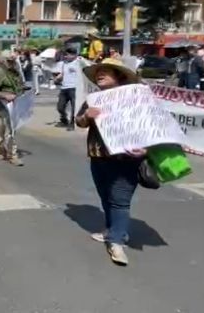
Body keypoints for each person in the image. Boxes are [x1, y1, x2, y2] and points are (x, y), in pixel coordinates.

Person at [75, 58, 145, 266]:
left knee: (119, 201)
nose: (100, 74)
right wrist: (87, 115)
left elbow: (151, 124)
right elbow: (79, 121)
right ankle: (113, 231)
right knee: (106, 197)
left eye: (106, 71)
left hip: (126, 159)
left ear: (120, 76)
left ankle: (116, 242)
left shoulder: (136, 98)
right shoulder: (94, 99)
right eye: (98, 72)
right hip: (98, 157)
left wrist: (145, 147)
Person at [0, 54, 25, 166]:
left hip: (15, 104)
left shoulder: (16, 72)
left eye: (13, 60)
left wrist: (22, 92)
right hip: (4, 104)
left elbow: (20, 85)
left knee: (5, 128)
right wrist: (4, 95)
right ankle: (12, 155)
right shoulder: (0, 73)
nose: (11, 62)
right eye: (9, 60)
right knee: (11, 130)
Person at [55, 47, 81, 131]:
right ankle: (64, 119)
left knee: (74, 108)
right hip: (64, 88)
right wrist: (57, 79)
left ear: (74, 55)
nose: (66, 56)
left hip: (74, 88)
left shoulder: (78, 62)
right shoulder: (64, 63)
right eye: (65, 55)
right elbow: (63, 74)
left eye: (68, 55)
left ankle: (72, 123)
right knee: (60, 107)